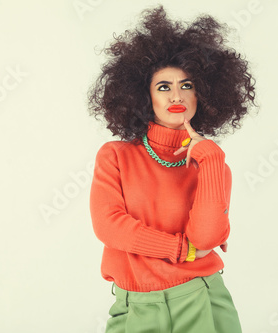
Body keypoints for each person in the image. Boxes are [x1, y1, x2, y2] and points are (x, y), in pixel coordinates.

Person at [87, 5, 257, 333]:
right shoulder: (115, 156)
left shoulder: (214, 165)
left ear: (203, 93)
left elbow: (206, 237)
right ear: (144, 95)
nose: (176, 95)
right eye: (163, 87)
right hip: (133, 306)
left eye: (187, 85)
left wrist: (209, 157)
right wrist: (180, 248)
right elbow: (109, 227)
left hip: (201, 300)